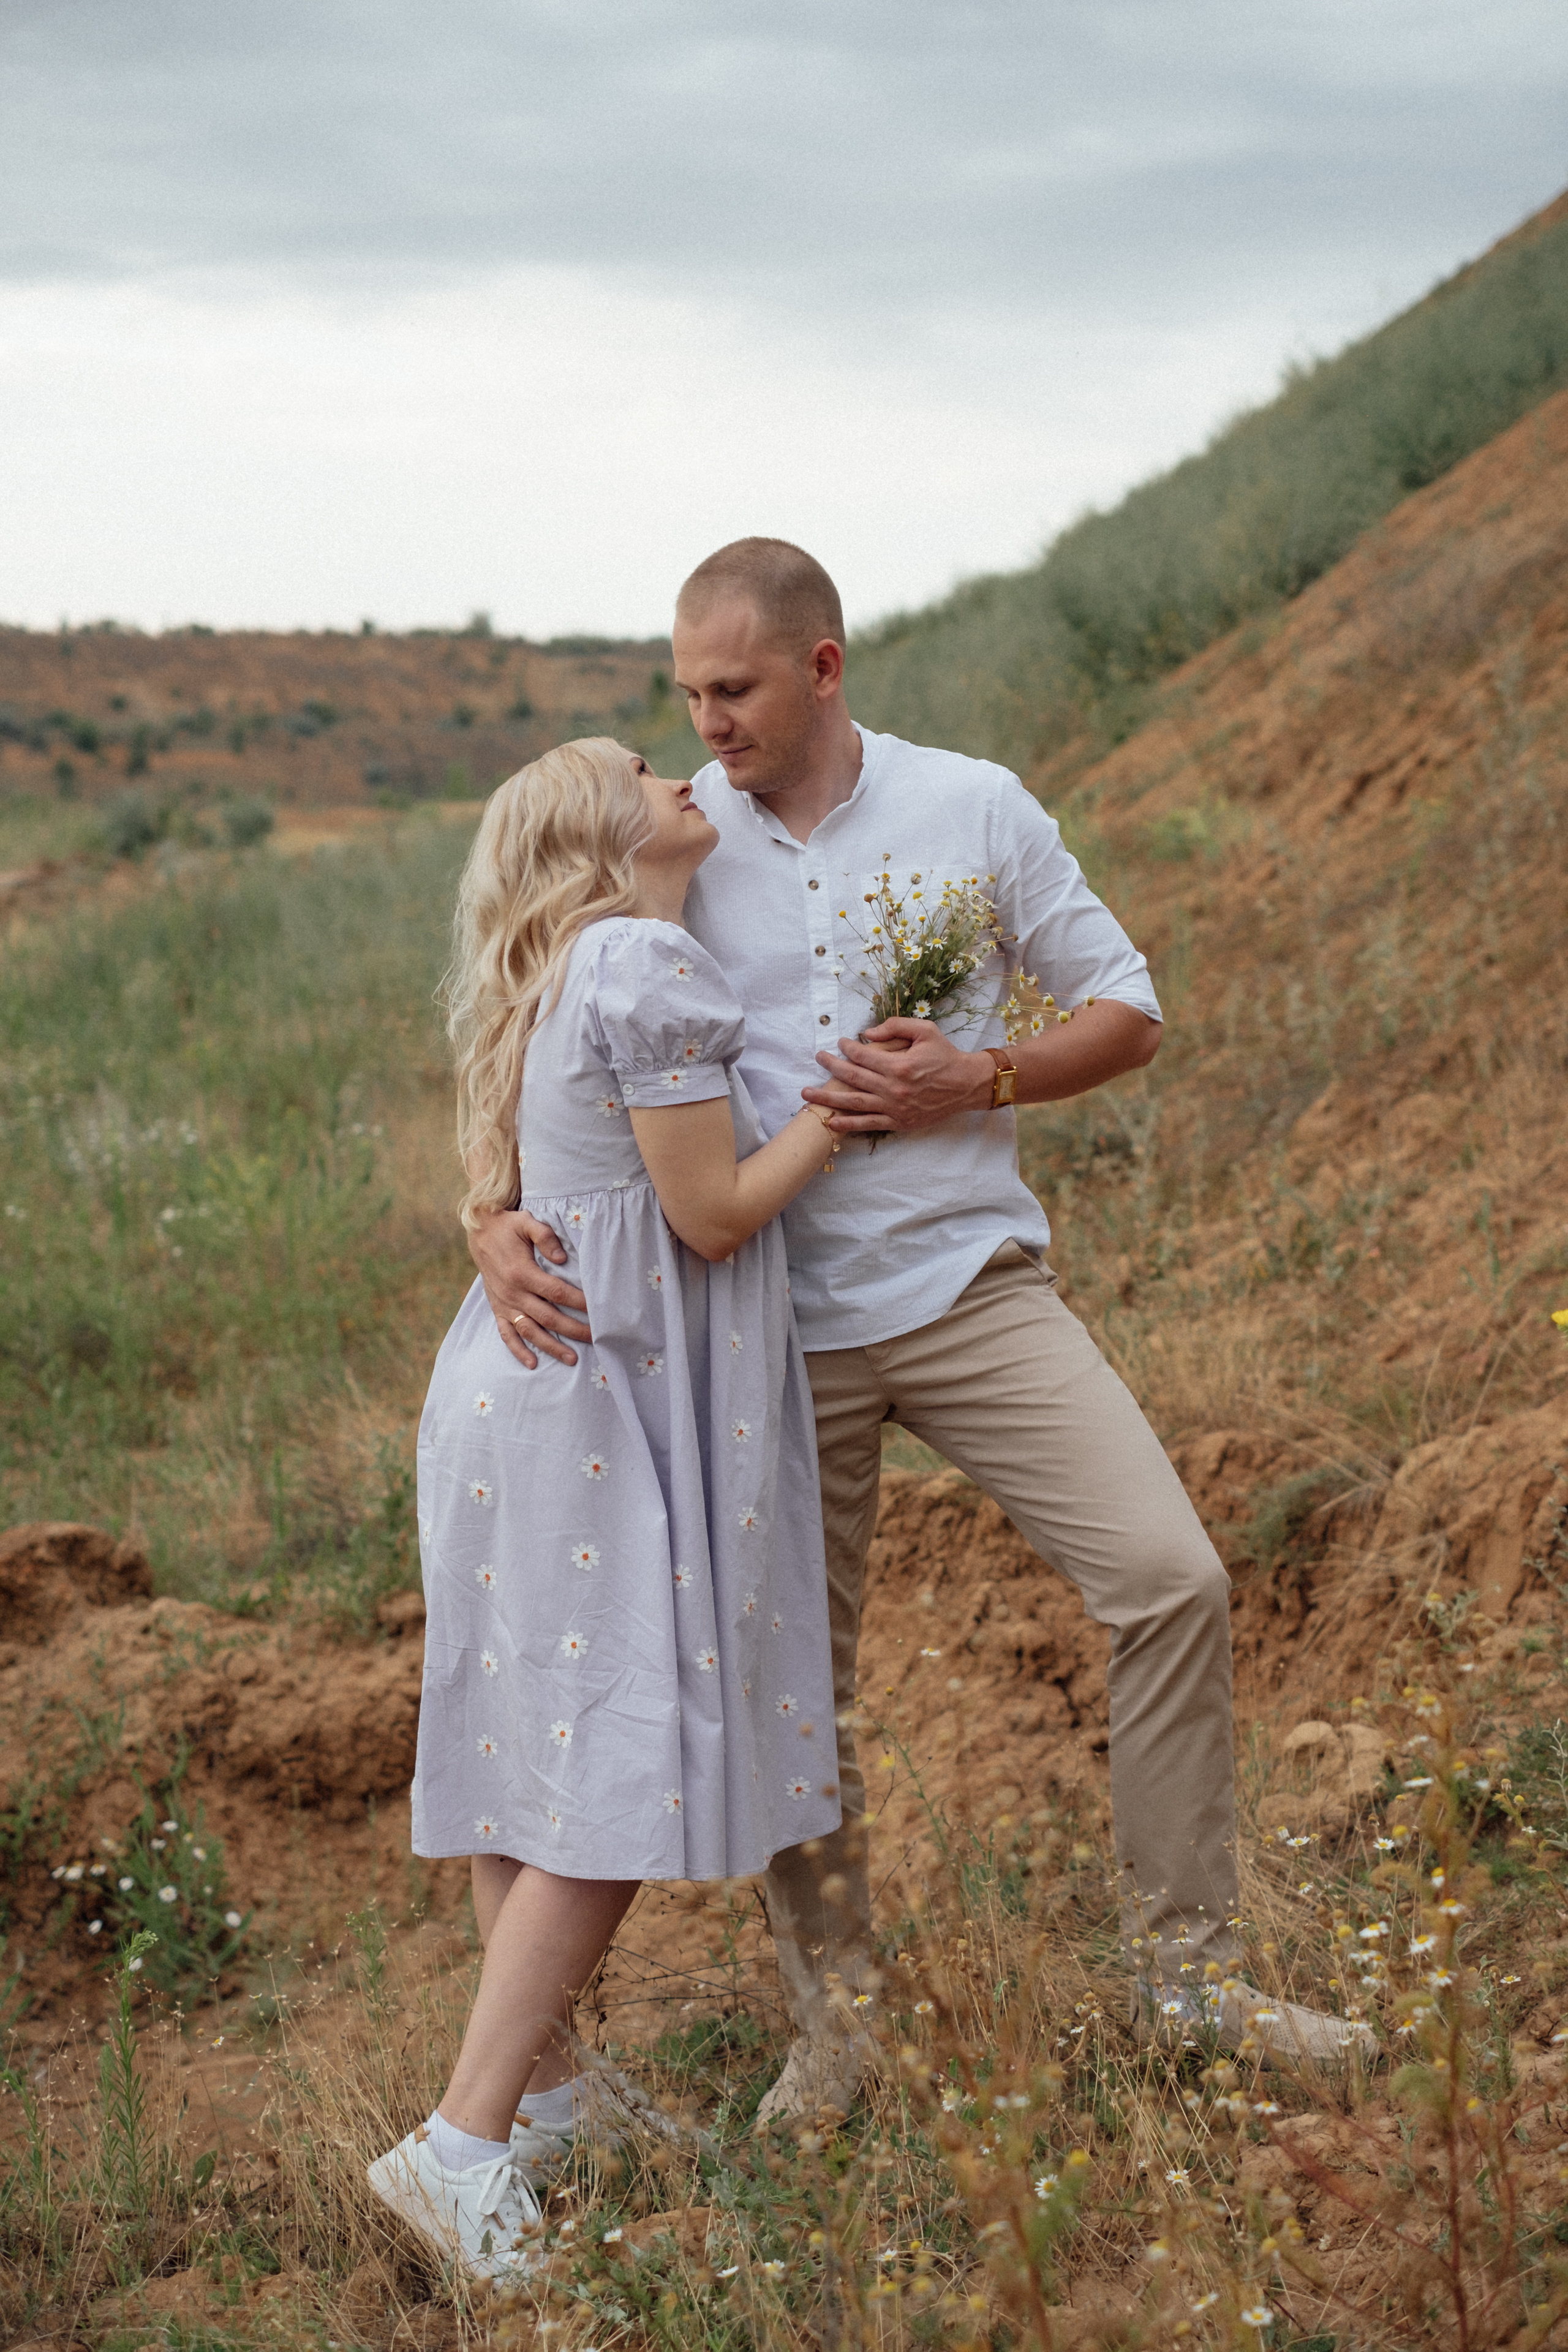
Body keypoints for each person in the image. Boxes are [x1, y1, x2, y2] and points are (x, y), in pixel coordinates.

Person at [469, 542, 1373, 2116]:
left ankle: (1191, 1980)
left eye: (733, 688)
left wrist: (986, 1075)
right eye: (686, 692)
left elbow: (1127, 1008)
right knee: (788, 1692)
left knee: (1169, 1579)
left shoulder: (975, 807)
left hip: (968, 1288)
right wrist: (485, 1213)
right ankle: (845, 2028)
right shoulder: (659, 845)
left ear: (822, 666)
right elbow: (531, 1030)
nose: (706, 723)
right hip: (753, 1334)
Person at [369, 736, 843, 2278]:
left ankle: (558, 2101)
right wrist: (841, 1111)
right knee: (615, 1756)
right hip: (593, 1408)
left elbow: (550, 1194)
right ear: (596, 828)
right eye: (644, 765)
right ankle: (461, 2145)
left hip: (508, 1407)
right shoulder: (640, 959)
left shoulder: (554, 974)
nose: (683, 765)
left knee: (537, 1752)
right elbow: (708, 1217)